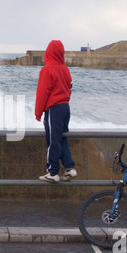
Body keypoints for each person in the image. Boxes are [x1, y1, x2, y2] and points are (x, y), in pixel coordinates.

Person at [35, 40, 77, 183]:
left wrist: (38, 112)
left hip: (54, 109)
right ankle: (69, 168)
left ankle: (52, 172)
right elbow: (70, 88)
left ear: (48, 52)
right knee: (62, 138)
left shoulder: (47, 69)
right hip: (66, 107)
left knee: (53, 140)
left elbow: (42, 92)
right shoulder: (65, 69)